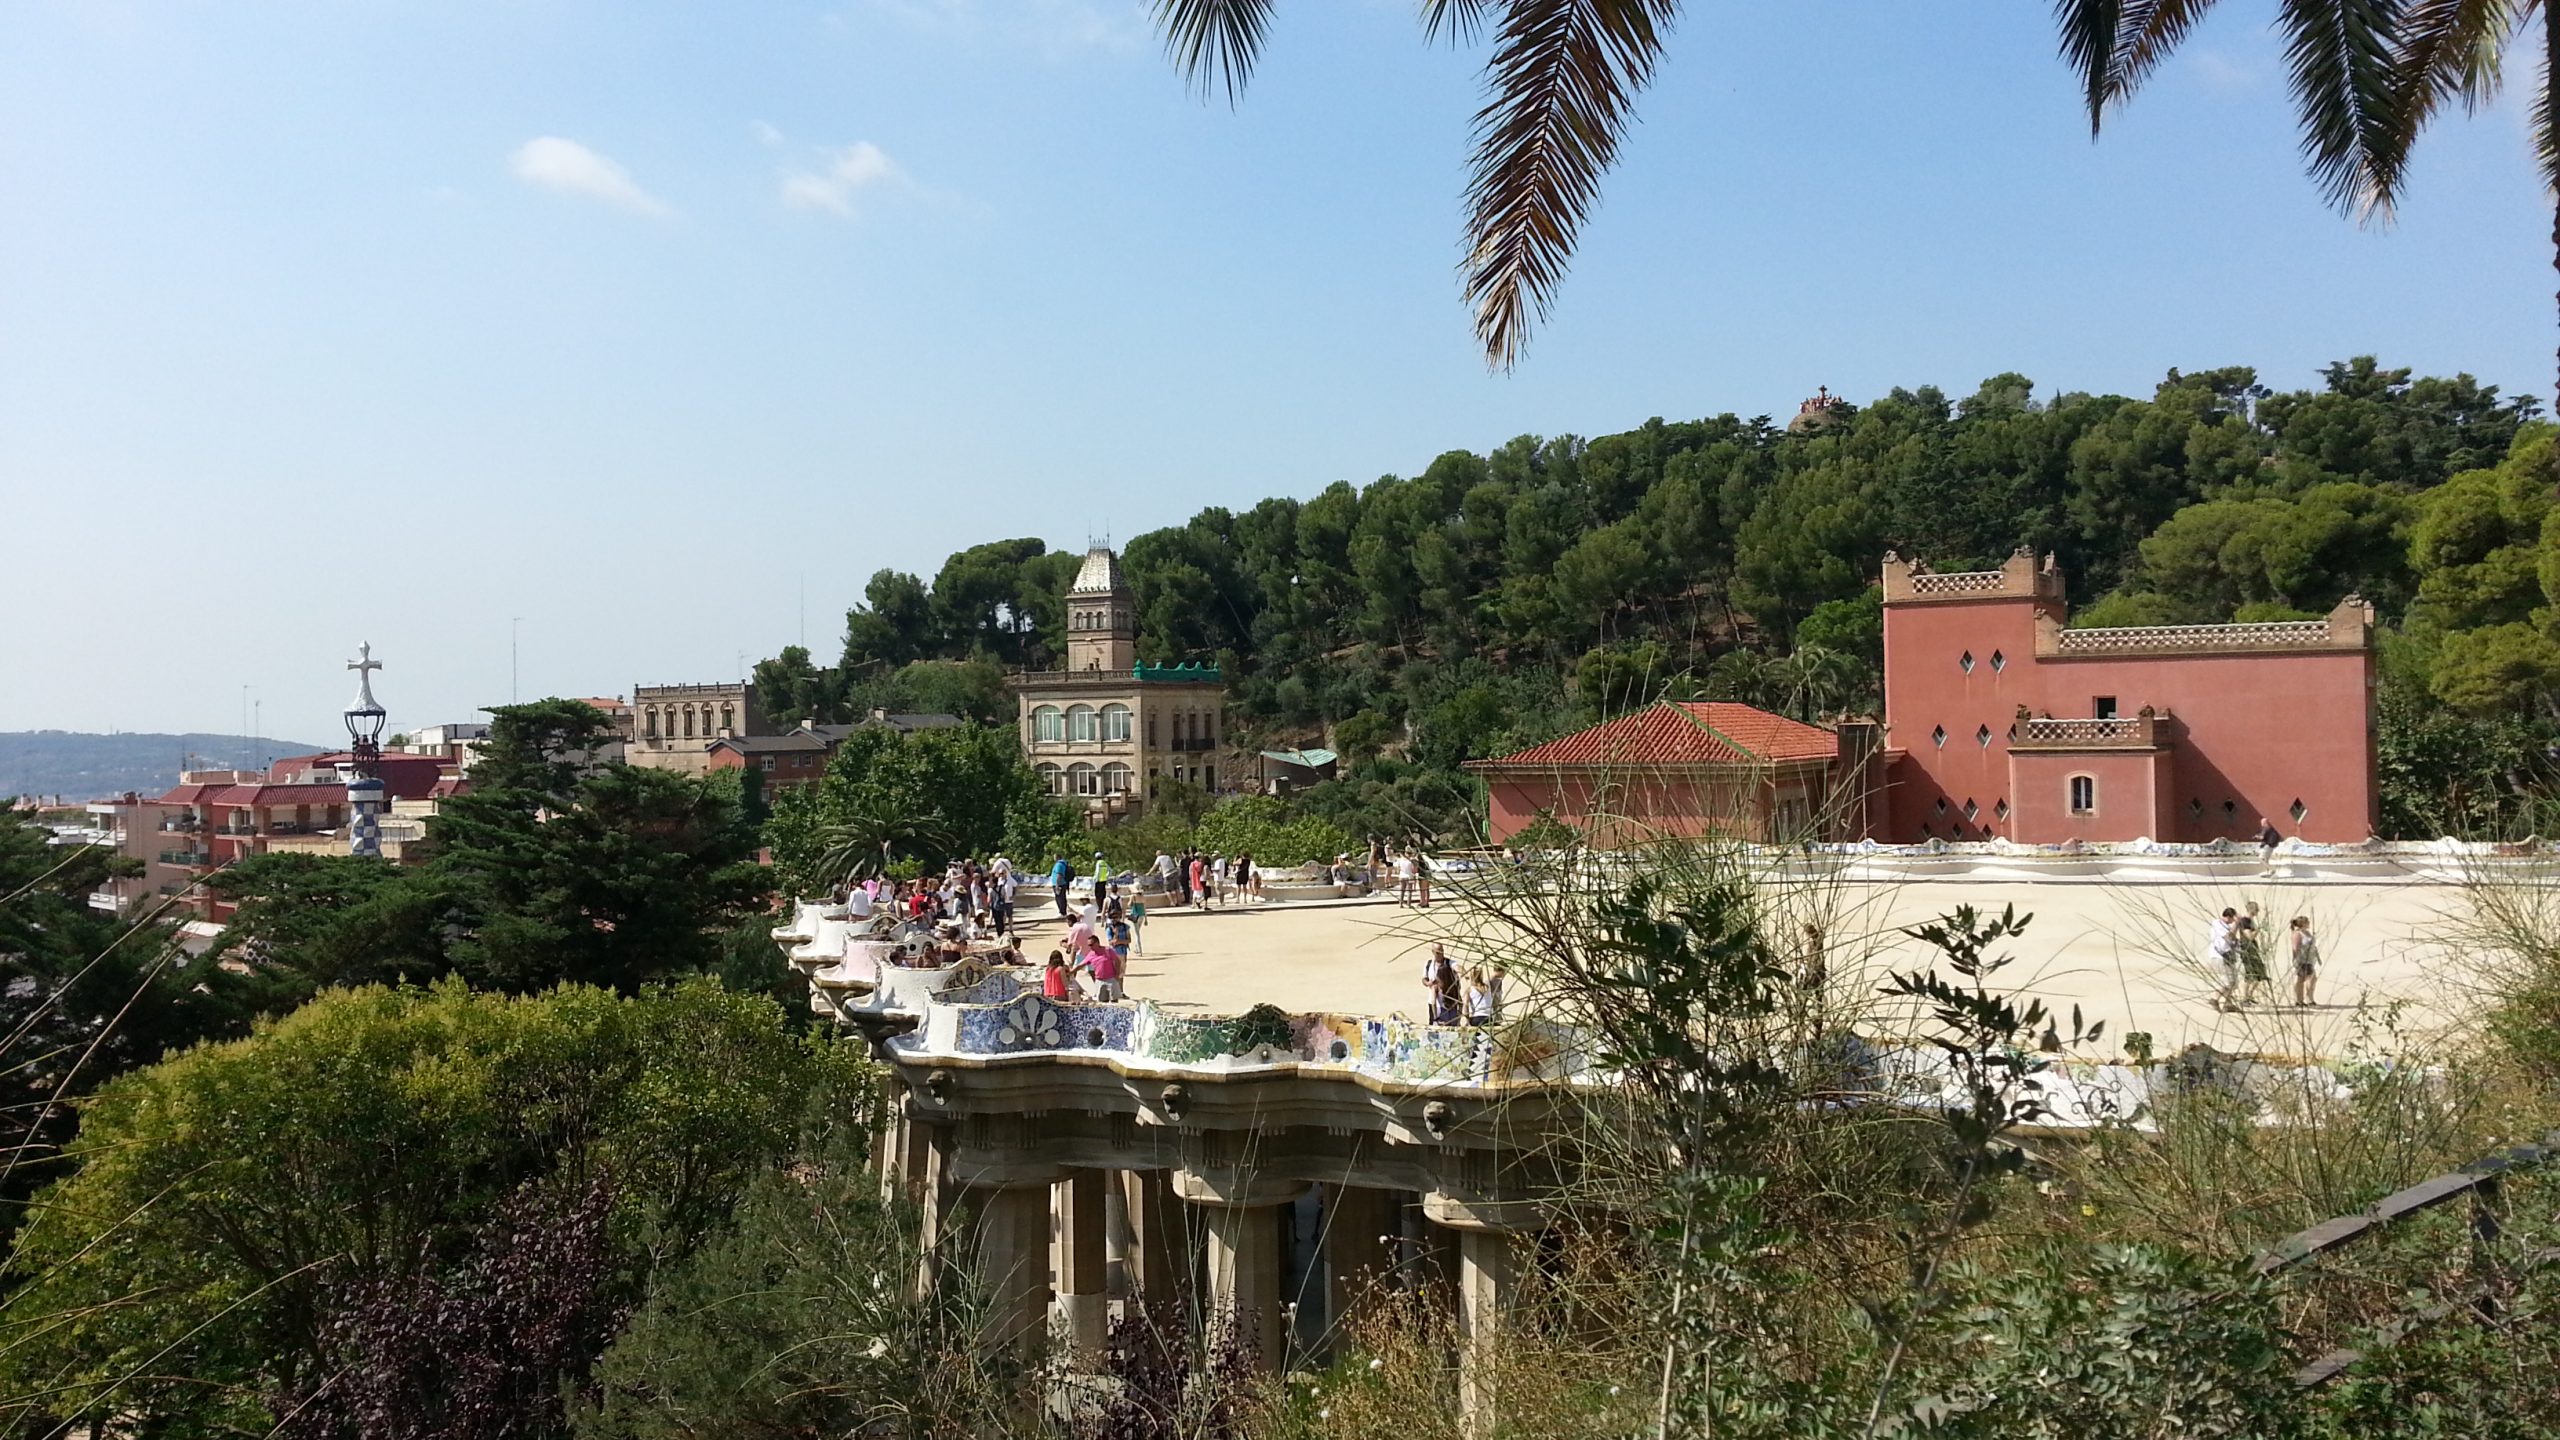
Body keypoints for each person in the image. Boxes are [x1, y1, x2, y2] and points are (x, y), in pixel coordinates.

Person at [2236, 901, 2269, 1006]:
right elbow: (2249, 936)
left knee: (2260, 973)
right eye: (2256, 909)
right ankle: (2244, 998)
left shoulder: (2250, 921)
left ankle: (2249, 995)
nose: (2258, 911)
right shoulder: (2245, 921)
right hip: (2247, 949)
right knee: (2250, 974)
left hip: (2253, 948)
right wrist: (2258, 929)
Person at [2207, 908, 2239, 1009]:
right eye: (2232, 919)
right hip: (2220, 957)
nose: (2233, 921)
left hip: (2228, 956)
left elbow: (2233, 939)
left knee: (2233, 982)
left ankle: (2228, 1003)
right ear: (2229, 917)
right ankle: (2215, 999)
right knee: (2228, 982)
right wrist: (2236, 924)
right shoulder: (2217, 923)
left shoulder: (2226, 926)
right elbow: (2229, 937)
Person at [2290, 915, 2321, 1007]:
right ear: (2303, 924)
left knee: (2311, 978)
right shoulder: (2297, 934)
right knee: (2304, 979)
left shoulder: (2307, 933)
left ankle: (2307, 998)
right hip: (2302, 959)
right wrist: (2295, 960)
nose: (2309, 923)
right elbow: (2295, 948)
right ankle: (2302, 999)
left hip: (2310, 959)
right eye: (2307, 922)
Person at [1085, 933, 1122, 1002]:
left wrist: (1117, 974)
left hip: (1111, 979)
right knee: (1102, 1002)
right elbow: (1081, 964)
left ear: (1097, 943)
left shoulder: (1108, 950)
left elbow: (1118, 961)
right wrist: (1072, 971)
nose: (1090, 947)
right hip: (1100, 980)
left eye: (1091, 945)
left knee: (1114, 1001)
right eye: (1089, 945)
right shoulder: (1091, 954)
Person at [1429, 953, 1461, 1026]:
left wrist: (1435, 1018)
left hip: (1442, 1013)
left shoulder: (1436, 987)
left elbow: (1433, 1002)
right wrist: (1458, 1017)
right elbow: (1460, 1002)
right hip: (1453, 1013)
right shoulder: (1453, 986)